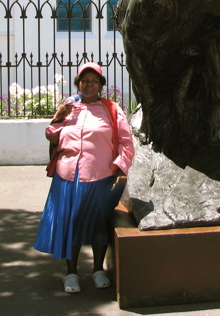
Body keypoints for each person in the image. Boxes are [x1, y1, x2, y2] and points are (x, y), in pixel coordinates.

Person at [34, 62, 135, 293]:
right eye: (84, 80)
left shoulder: (111, 109)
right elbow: (52, 136)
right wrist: (58, 117)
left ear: (101, 85)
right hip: (68, 175)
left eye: (94, 80)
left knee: (99, 222)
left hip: (102, 176)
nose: (88, 84)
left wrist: (121, 167)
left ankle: (98, 269)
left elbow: (126, 142)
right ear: (78, 83)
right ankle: (71, 273)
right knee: (71, 223)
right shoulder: (68, 105)